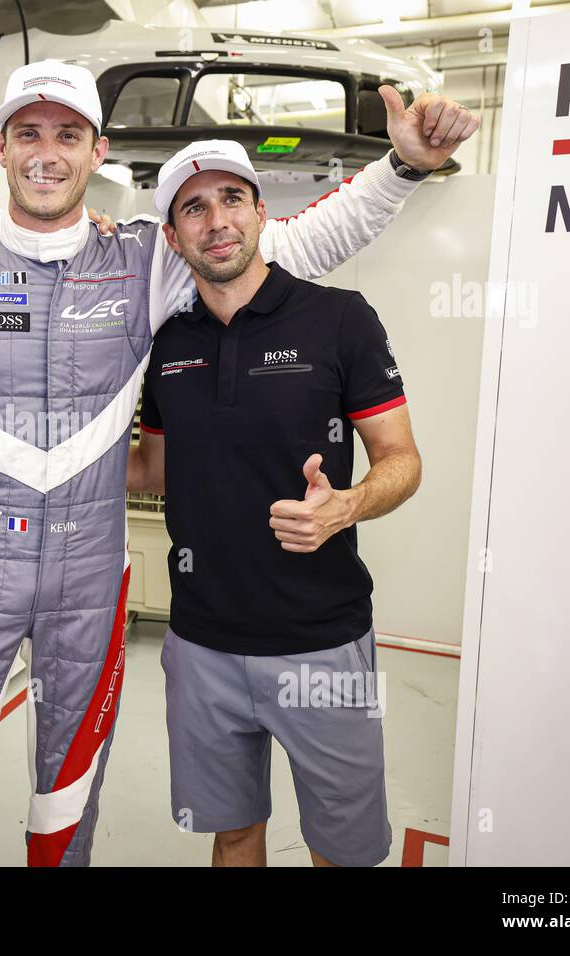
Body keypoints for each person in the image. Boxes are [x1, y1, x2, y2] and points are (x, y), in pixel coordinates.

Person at [0, 59, 477, 866]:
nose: (47, 153)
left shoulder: (146, 261)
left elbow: (296, 241)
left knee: (68, 787)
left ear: (96, 151)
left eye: (68, 134)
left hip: (88, 577)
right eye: (28, 133)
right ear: (0, 146)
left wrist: (403, 164)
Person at [128, 139, 423, 867]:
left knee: (343, 850)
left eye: (232, 198)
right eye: (193, 208)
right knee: (232, 833)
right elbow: (152, 469)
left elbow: (403, 462)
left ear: (262, 212)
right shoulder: (167, 344)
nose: (216, 220)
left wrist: (344, 507)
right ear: (173, 236)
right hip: (200, 645)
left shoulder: (340, 319)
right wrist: (39, 457)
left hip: (320, 641)